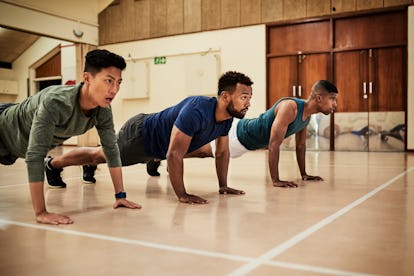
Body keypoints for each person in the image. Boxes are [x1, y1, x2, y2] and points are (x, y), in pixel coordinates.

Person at [46, 71, 254, 204]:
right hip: (140, 137)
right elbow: (174, 154)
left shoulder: (227, 118)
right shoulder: (197, 110)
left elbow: (222, 152)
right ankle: (52, 164)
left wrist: (223, 185)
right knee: (99, 155)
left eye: (249, 98)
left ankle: (154, 159)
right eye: (244, 97)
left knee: (201, 151)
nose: (248, 103)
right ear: (225, 96)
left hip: (157, 142)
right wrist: (182, 194)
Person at [0, 49, 141, 225]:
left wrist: (120, 196)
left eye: (119, 82)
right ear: (87, 78)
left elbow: (111, 149)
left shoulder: (103, 109)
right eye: (108, 81)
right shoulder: (55, 102)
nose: (114, 90)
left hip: (14, 144)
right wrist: (41, 212)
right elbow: (35, 155)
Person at [153, 80, 338, 188]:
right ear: (319, 98)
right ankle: (159, 157)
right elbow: (273, 144)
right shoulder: (291, 107)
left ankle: (165, 157)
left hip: (244, 141)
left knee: (200, 151)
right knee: (201, 151)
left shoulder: (305, 116)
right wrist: (275, 180)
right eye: (332, 99)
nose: (334, 104)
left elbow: (300, 145)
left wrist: (304, 174)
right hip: (239, 135)